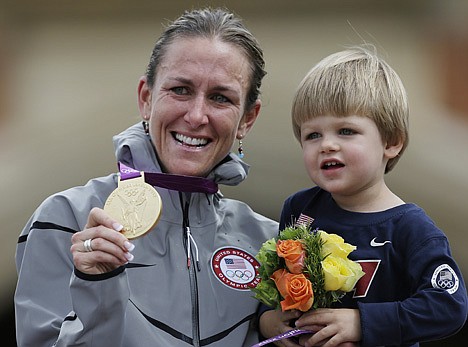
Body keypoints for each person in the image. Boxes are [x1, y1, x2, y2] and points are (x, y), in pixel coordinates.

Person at [14, 7, 279, 347]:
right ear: (146, 97)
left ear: (247, 119)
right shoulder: (66, 219)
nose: (197, 116)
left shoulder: (269, 241)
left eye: (220, 98)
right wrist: (97, 288)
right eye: (181, 90)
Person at [258, 46, 468, 347]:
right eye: (312, 135)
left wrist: (363, 323)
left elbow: (449, 306)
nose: (327, 145)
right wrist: (268, 319)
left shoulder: (412, 229)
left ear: (391, 142)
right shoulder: (300, 209)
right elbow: (277, 286)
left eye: (345, 131)